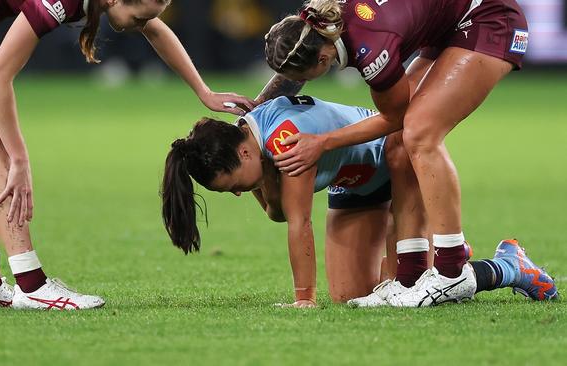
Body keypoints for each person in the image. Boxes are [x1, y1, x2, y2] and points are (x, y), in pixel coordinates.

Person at [0, 0, 254, 310]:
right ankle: (30, 284)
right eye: (140, 16)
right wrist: (20, 160)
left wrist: (204, 91)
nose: (146, 23)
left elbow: (155, 28)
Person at [255, 0, 554, 305]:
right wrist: (256, 109)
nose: (295, 83)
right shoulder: (320, 21)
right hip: (447, 26)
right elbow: (301, 56)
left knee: (419, 132)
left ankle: (451, 269)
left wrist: (323, 142)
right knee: (397, 142)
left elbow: (394, 116)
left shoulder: (369, 46)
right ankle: (409, 277)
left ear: (322, 60)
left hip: (488, 17)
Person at [161, 95, 558, 306]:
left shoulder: (283, 142)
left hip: (391, 162)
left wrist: (303, 300)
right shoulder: (251, 146)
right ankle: (446, 261)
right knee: (353, 297)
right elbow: (277, 213)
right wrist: (258, 182)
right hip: (352, 184)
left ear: (245, 154)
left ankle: (507, 266)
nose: (235, 193)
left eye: (231, 185)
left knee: (410, 292)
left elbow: (298, 221)